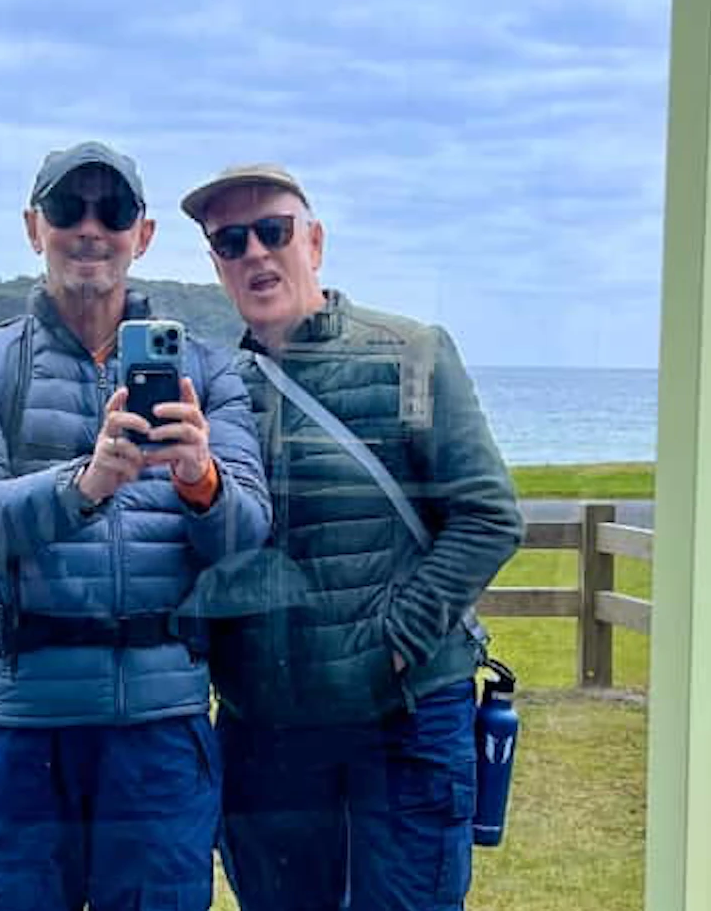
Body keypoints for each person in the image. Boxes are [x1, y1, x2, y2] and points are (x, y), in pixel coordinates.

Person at [0, 141, 271, 910]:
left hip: (160, 730)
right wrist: (86, 483)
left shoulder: (209, 374)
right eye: (66, 208)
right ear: (32, 226)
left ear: (141, 236)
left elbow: (246, 538)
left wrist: (200, 479)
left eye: (111, 211)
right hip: (21, 727)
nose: (89, 228)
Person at [180, 163, 526, 911]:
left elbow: (488, 515)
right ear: (215, 262)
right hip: (263, 732)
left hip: (399, 719)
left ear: (315, 241)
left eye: (273, 231)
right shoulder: (210, 384)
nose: (255, 254)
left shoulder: (411, 353)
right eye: (230, 241)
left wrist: (396, 640)